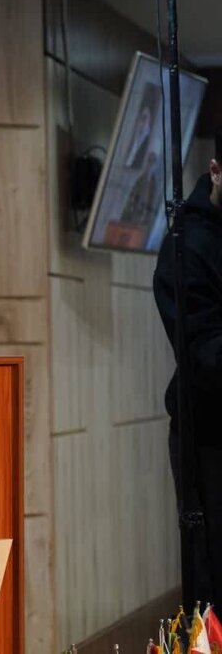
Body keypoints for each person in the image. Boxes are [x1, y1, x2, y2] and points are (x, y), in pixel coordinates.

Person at [154, 126, 222, 604]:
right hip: (212, 442)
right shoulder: (188, 245)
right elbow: (205, 355)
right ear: (215, 170)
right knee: (214, 585)